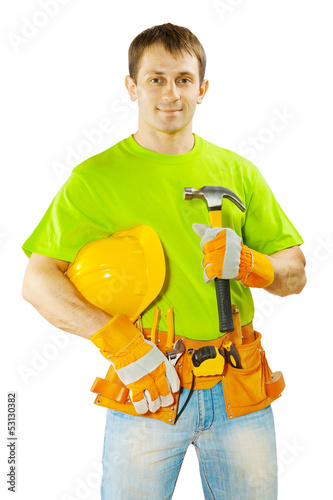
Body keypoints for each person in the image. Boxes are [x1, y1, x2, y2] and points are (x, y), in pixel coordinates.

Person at [22, 22, 306, 500]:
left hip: (240, 386)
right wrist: (124, 348)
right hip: (150, 386)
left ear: (203, 88)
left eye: (183, 79)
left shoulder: (238, 172)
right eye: (155, 78)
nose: (170, 93)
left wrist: (252, 264)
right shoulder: (94, 179)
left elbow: (294, 273)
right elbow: (38, 281)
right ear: (132, 86)